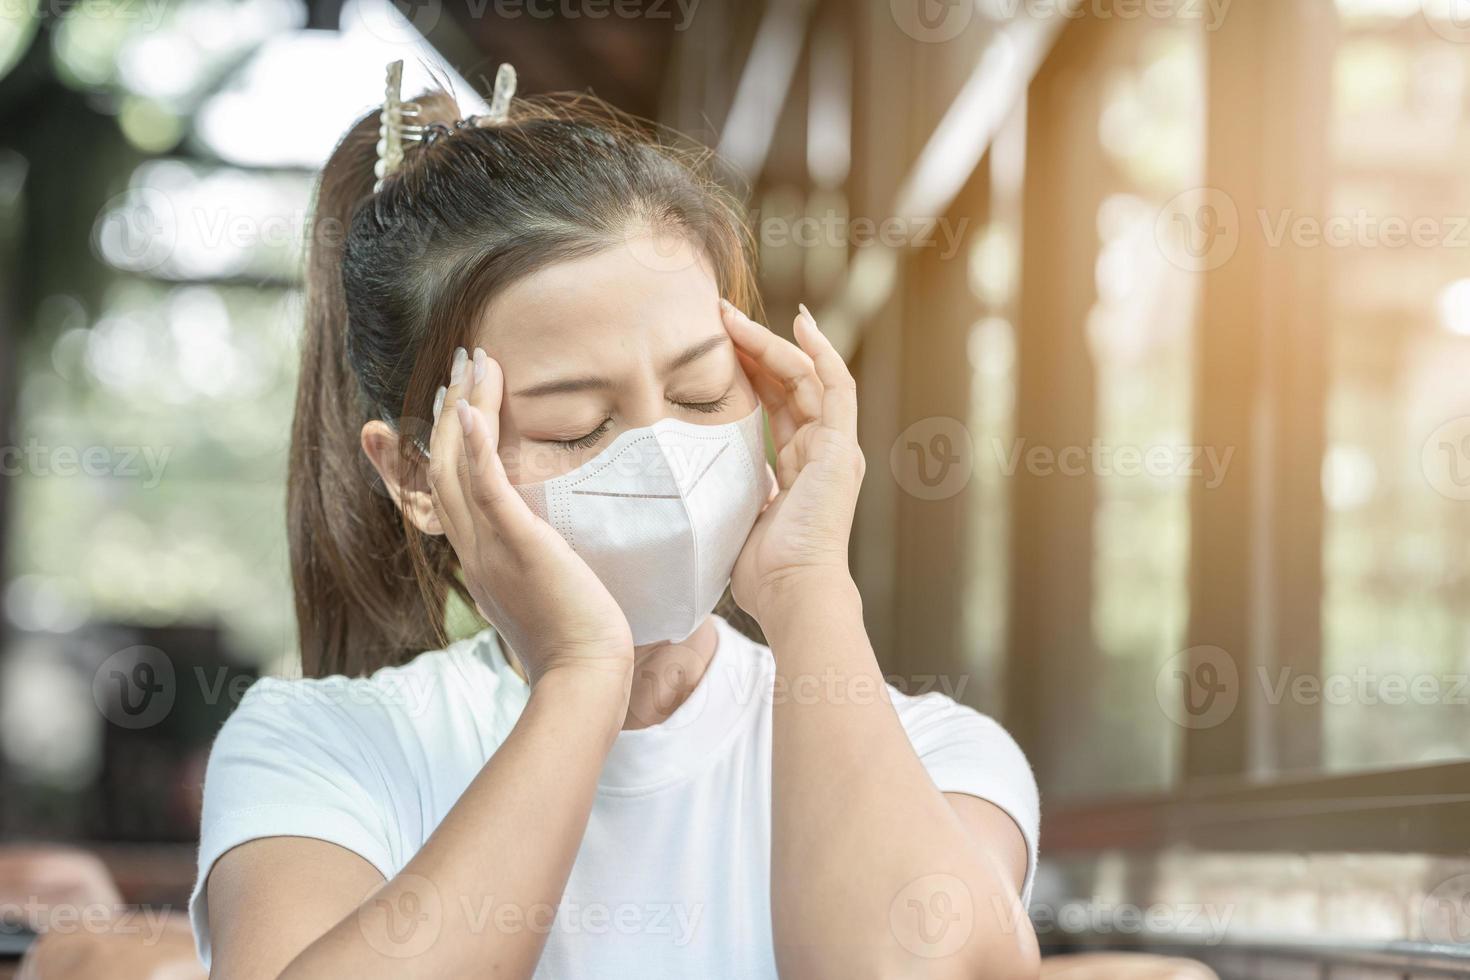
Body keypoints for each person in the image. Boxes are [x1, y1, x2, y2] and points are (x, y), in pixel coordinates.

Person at [189, 62, 1042, 980]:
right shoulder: (324, 747)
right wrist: (581, 675)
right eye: (577, 425)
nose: (665, 458)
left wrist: (807, 591)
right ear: (419, 478)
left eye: (703, 392)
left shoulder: (931, 753)